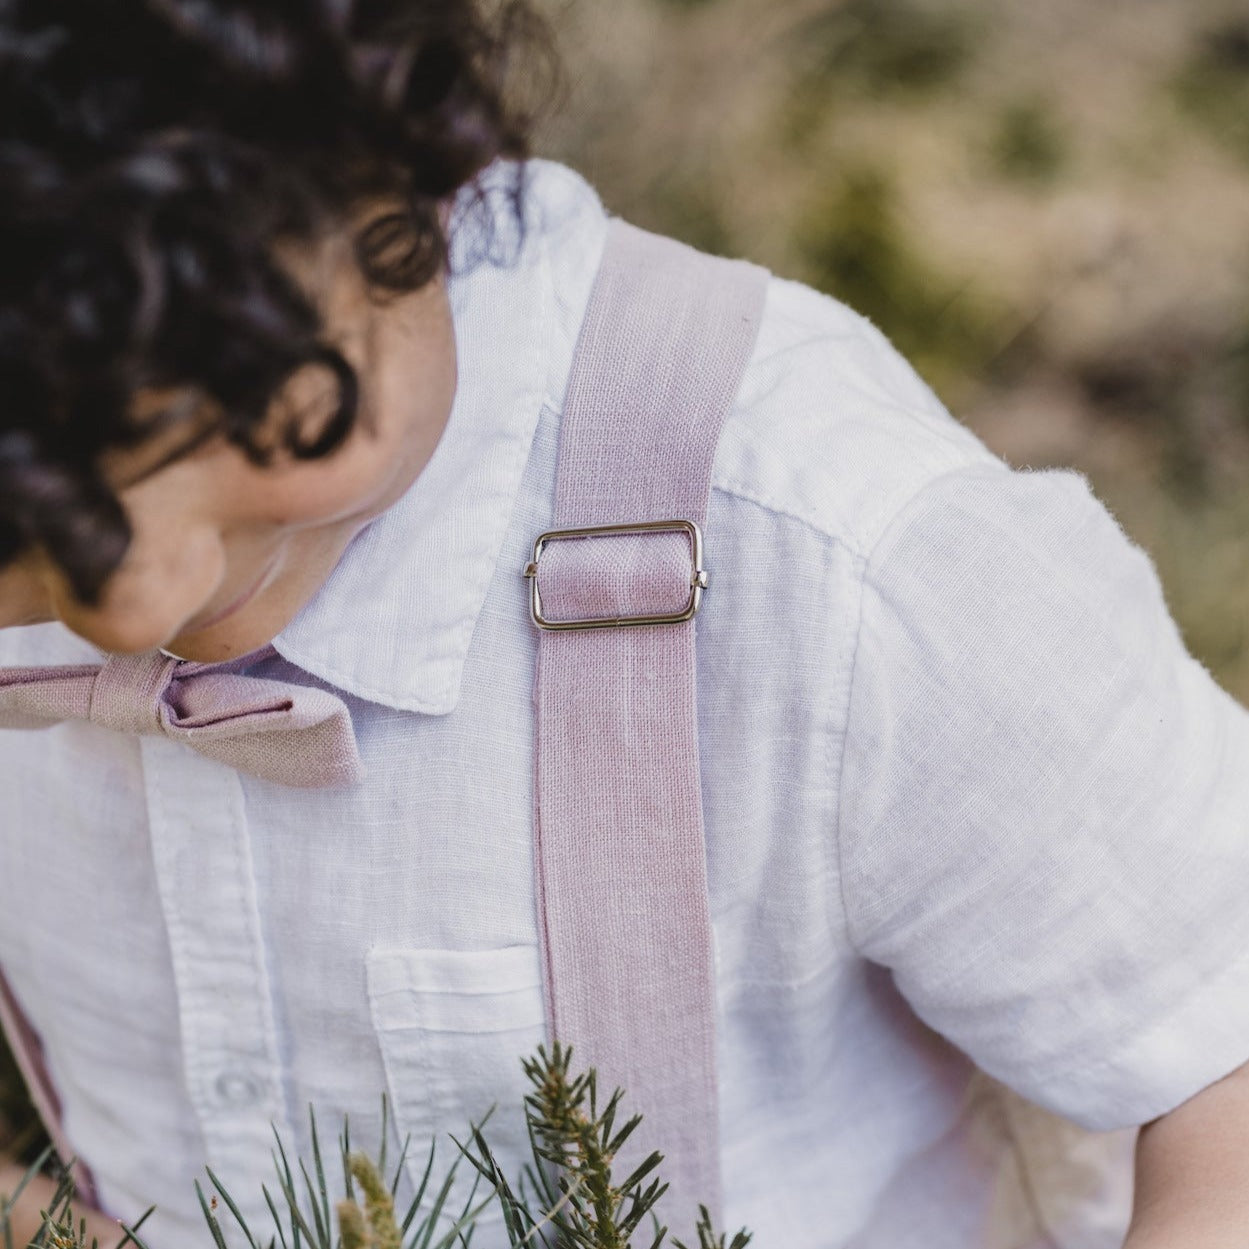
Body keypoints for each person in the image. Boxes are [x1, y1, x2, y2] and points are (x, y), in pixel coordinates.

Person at [2, 3, 1249, 1247]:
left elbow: (1222, 1058)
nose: (138, 605)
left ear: (387, 166)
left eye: (246, 422)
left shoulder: (827, 544)